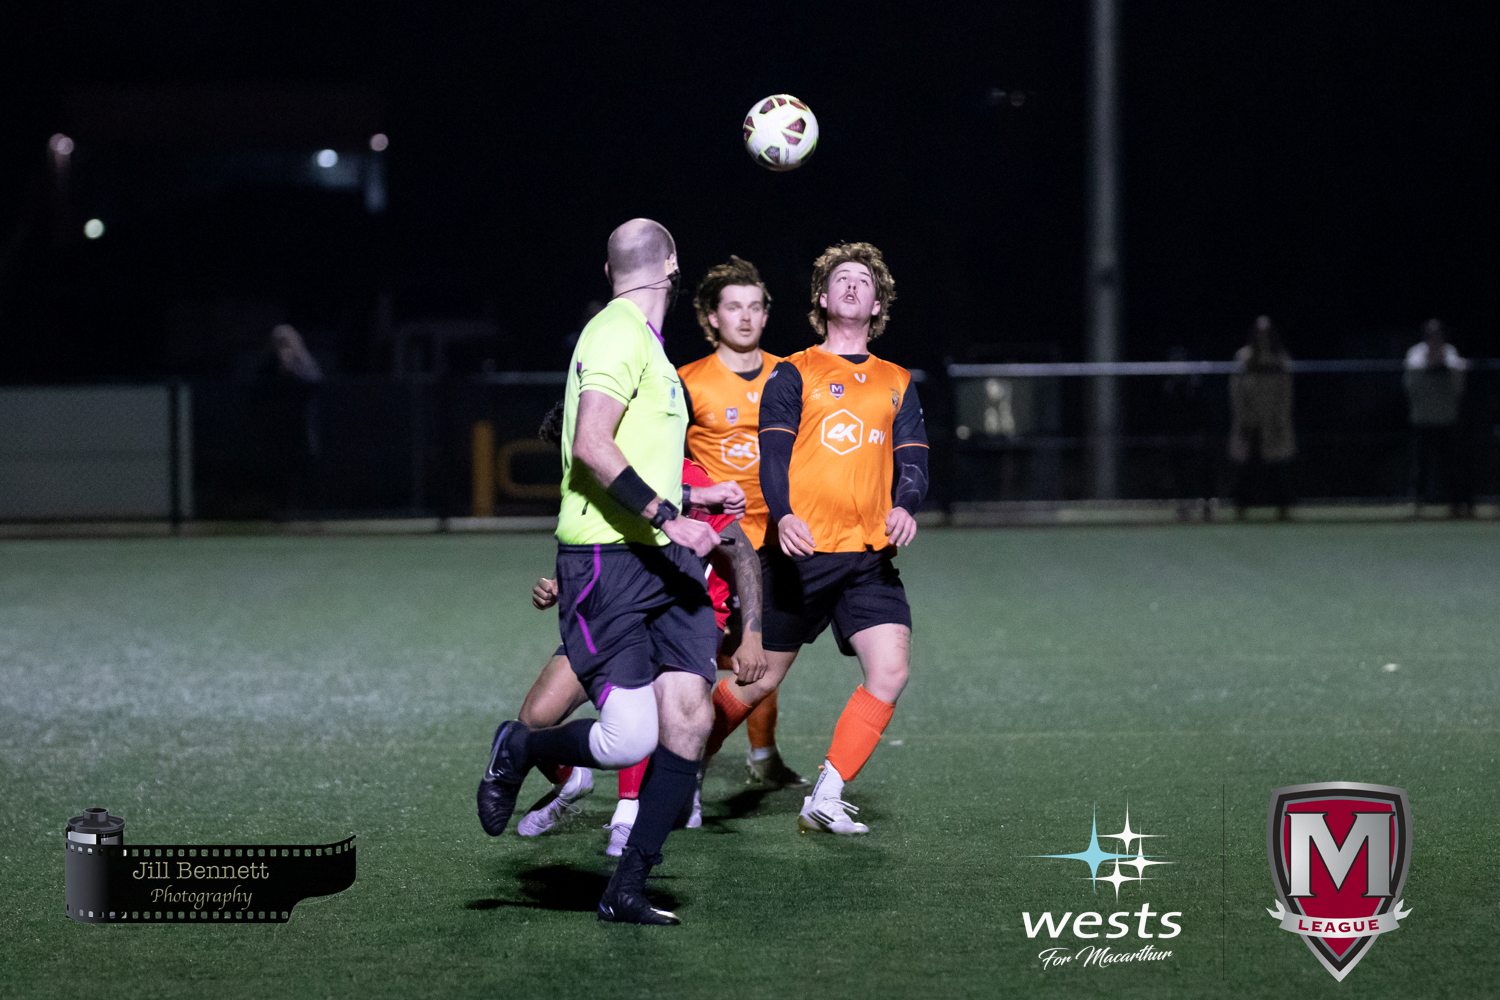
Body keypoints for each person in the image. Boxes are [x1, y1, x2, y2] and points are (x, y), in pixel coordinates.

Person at [477, 218, 748, 926]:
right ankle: (521, 746)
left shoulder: (649, 345)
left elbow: (632, 454)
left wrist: (691, 497)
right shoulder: (615, 334)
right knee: (629, 738)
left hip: (665, 560)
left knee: (688, 721)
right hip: (610, 559)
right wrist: (669, 515)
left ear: (610, 270)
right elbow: (593, 445)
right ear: (673, 264)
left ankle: (627, 887)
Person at [700, 241, 929, 836]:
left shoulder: (897, 380)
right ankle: (681, 768)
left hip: (868, 558)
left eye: (864, 281)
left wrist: (905, 506)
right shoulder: (793, 371)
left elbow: (914, 461)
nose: (852, 285)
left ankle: (826, 795)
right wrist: (783, 515)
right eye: (841, 279)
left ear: (877, 304)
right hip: (800, 557)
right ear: (822, 299)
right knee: (757, 681)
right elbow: (773, 457)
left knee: (890, 671)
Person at [678, 255, 805, 789]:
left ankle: (764, 756)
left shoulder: (789, 375)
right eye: (734, 307)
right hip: (716, 545)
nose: (746, 317)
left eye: (755, 307)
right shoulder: (687, 382)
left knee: (765, 653)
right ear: (712, 317)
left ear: (767, 314)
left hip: (777, 540)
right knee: (703, 654)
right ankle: (685, 759)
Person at [1403, 318, 1473, 517]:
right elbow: (1413, 373)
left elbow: (1459, 372)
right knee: (1420, 467)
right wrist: (1435, 365)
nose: (1434, 339)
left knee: (1451, 466)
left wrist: (1447, 366)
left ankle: (1457, 504)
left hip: (1446, 419)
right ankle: (1416, 504)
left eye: (1437, 334)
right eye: (1431, 335)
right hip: (1422, 418)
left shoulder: (1449, 352)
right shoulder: (1416, 353)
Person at [1228, 315, 1295, 519]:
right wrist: (1243, 417)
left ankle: (1283, 507)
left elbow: (1286, 392)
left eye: (1266, 333)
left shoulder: (1280, 358)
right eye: (1259, 333)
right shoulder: (1244, 356)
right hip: (1250, 421)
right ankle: (1240, 507)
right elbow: (1236, 390)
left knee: (1277, 468)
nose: (1262, 337)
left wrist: (1280, 419)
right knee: (1245, 469)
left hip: (1272, 420)